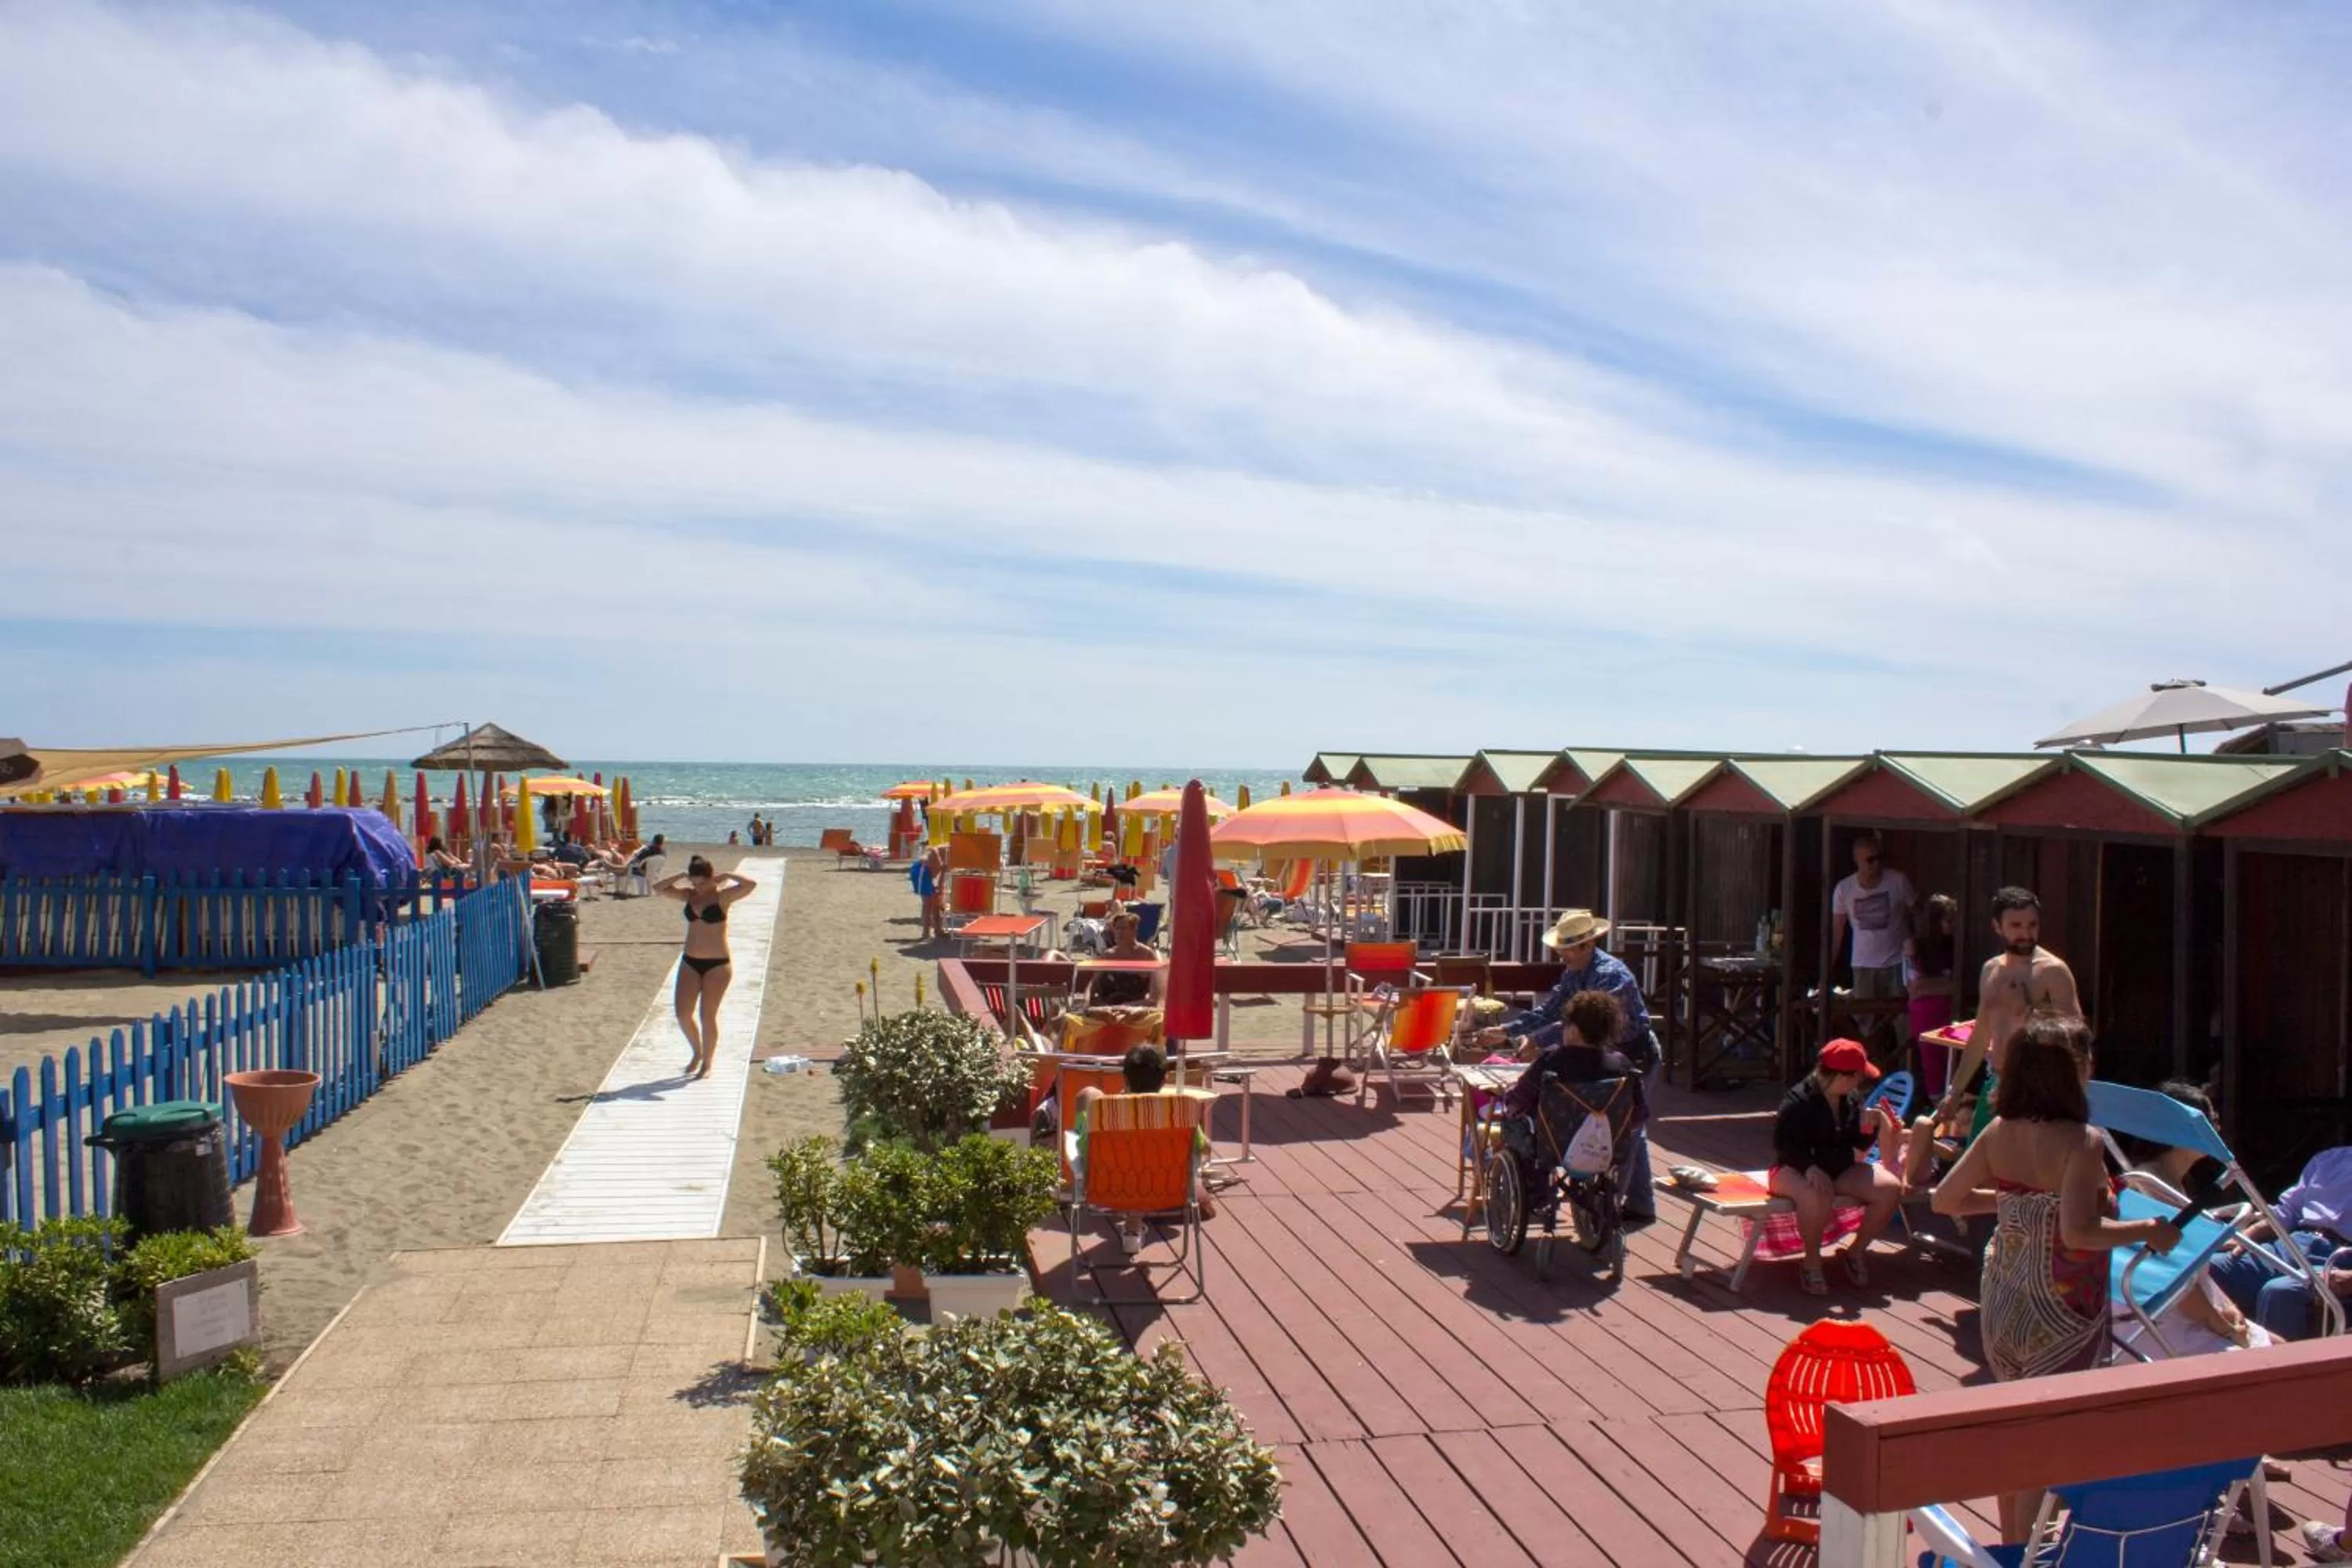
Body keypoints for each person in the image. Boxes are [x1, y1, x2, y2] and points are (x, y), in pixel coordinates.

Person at [1932, 1013, 2180, 1544]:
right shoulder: (2082, 1141)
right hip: (2061, 1305)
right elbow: (2080, 1231)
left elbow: (1945, 1199)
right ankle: (2026, 1551)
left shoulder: (1998, 1131)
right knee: (2043, 1440)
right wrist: (2149, 1230)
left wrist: (2015, 1203)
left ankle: (2013, 1547)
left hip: (2004, 1295)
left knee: (2014, 1426)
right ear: (2072, 1070)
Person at [1901, 886, 2081, 1189]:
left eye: (2032, 925)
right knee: (1978, 1176)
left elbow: (2077, 1041)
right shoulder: (1991, 970)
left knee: (2017, 1180)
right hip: (1996, 1081)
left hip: (2037, 1089)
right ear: (1998, 927)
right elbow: (1981, 1034)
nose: (2026, 934)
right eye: (2016, 926)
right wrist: (1955, 1092)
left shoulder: (2053, 972)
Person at [2107, 1080, 2269, 1359]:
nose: (2217, 1128)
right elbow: (2171, 1281)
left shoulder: (2172, 1183)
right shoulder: (2146, 1187)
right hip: (2154, 1321)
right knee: (2271, 1358)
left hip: (2183, 1312)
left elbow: (2194, 1275)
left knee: (2282, 1348)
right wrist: (2225, 1328)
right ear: (2180, 1128)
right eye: (2210, 1120)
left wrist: (2228, 1309)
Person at [1771, 1040, 1906, 1296]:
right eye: (1858, 1076)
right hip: (1794, 1167)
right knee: (1816, 1193)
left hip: (1838, 1167)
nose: (1860, 1082)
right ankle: (1812, 1262)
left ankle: (1856, 1252)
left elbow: (1858, 1144)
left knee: (1890, 1189)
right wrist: (1809, 1167)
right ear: (1842, 1076)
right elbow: (1783, 1146)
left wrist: (1872, 1126)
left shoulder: (1851, 1099)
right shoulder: (1798, 1101)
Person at [1072, 1043, 1217, 1251]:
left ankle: (1133, 1226)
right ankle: (1134, 1226)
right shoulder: (1179, 1112)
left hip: (1108, 1189)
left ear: (1125, 1078)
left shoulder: (1104, 1114)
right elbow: (1205, 1149)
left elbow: (1084, 1148)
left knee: (1089, 1095)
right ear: (1165, 1079)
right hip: (1168, 1190)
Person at [2205, 1140, 2352, 1342]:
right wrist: (2247, 1235)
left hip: (2340, 1259)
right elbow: (2288, 1211)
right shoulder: (2330, 1159)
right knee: (2206, 1267)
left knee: (2279, 1292)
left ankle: (2271, 1362)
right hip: (2293, 1243)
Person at [655, 856, 758, 1079]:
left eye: (702, 883)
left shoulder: (723, 897)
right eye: (694, 883)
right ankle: (697, 1052)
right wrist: (681, 876)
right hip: (690, 961)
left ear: (712, 878)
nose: (698, 887)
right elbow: (658, 888)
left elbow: (751, 885)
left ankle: (707, 1063)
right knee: (683, 1014)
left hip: (717, 964)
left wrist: (727, 875)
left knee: (707, 1016)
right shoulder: (689, 895)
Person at [1831, 833, 1916, 1002]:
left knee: (1899, 1012)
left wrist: (1914, 953)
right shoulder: (1844, 889)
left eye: (1878, 859)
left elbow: (1917, 913)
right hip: (1863, 965)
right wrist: (1829, 967)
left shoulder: (1898, 881)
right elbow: (1837, 932)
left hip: (1896, 962)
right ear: (1857, 861)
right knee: (1865, 1014)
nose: (1876, 864)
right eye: (1870, 860)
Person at [1904, 892, 1959, 1098]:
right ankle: (1935, 1098)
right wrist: (1942, 985)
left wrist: (1930, 985)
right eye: (1948, 920)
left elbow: (1955, 985)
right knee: (1931, 1060)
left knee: (1950, 1059)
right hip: (1925, 1011)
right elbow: (1912, 985)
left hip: (1948, 1009)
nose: (1951, 925)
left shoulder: (1953, 946)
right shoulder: (1913, 945)